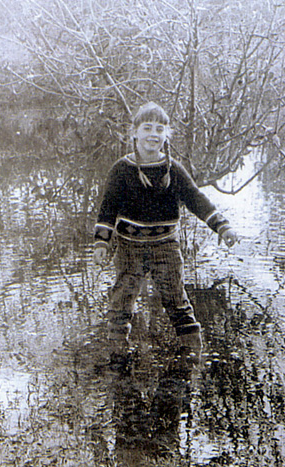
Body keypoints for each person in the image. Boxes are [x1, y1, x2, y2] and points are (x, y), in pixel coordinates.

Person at [93, 102, 237, 366]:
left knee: (176, 301)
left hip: (166, 247)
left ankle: (192, 358)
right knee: (121, 302)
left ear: (166, 135)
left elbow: (196, 199)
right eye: (147, 128)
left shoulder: (174, 170)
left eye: (159, 129)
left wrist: (222, 225)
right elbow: (108, 208)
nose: (153, 134)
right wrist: (102, 242)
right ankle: (117, 360)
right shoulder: (121, 169)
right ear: (134, 132)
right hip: (129, 247)